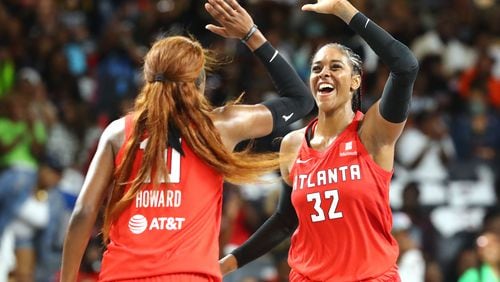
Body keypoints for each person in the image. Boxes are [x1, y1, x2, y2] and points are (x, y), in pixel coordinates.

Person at [59, 10, 315, 282]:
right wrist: (250, 35)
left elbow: (83, 212)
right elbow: (301, 100)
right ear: (199, 83)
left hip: (123, 274)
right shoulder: (221, 127)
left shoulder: (119, 133)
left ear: (148, 81)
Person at [216, 0, 419, 281]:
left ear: (355, 81)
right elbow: (286, 221)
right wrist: (227, 263)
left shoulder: (372, 132)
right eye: (316, 68)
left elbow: (406, 67)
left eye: (336, 67)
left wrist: (344, 11)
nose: (324, 73)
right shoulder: (292, 144)